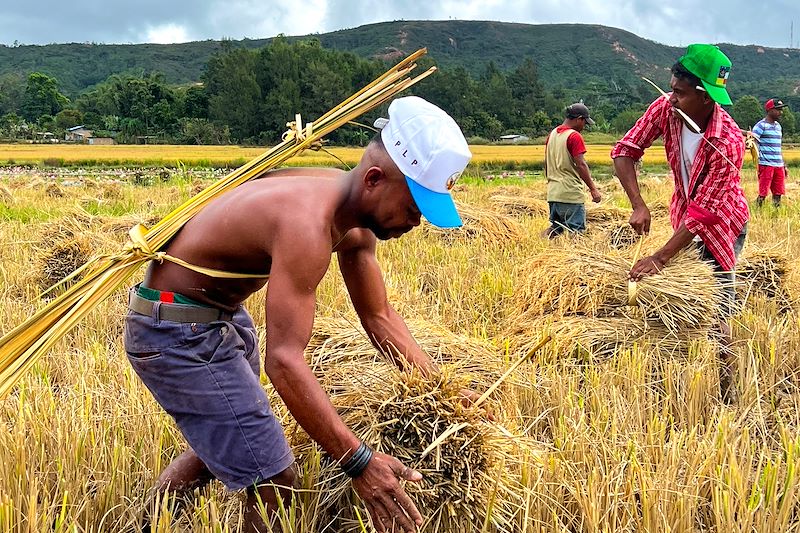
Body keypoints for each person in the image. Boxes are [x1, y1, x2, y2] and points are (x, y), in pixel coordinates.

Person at [123, 96, 479, 533]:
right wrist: (359, 461)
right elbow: (285, 362)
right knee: (275, 481)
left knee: (234, 441)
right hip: (176, 330)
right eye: (413, 208)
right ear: (374, 179)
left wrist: (441, 391)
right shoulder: (308, 223)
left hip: (220, 317)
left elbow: (379, 316)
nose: (416, 223)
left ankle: (144, 523)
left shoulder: (353, 219)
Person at [610, 44, 749, 403]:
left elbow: (705, 214)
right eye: (672, 88)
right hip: (684, 216)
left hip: (721, 223)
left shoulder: (728, 142)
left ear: (706, 97)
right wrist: (638, 204)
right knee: (677, 296)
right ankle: (676, 371)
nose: (672, 98)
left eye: (681, 93)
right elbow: (624, 151)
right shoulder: (666, 108)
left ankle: (725, 389)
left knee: (718, 306)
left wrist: (659, 257)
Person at [544, 102, 602, 238]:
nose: (584, 127)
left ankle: (540, 246)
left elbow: (546, 164)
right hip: (570, 193)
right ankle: (575, 258)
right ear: (578, 119)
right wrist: (593, 189)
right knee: (576, 232)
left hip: (553, 193)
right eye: (584, 123)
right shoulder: (574, 136)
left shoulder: (552, 134)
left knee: (556, 229)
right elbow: (581, 164)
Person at [751, 98, 789, 207]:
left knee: (778, 193)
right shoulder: (760, 126)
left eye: (781, 110)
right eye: (778, 110)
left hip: (778, 165)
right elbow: (753, 144)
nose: (780, 113)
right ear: (770, 110)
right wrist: (758, 160)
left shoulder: (778, 127)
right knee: (763, 193)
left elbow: (778, 147)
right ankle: (757, 210)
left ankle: (775, 213)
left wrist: (784, 165)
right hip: (766, 164)